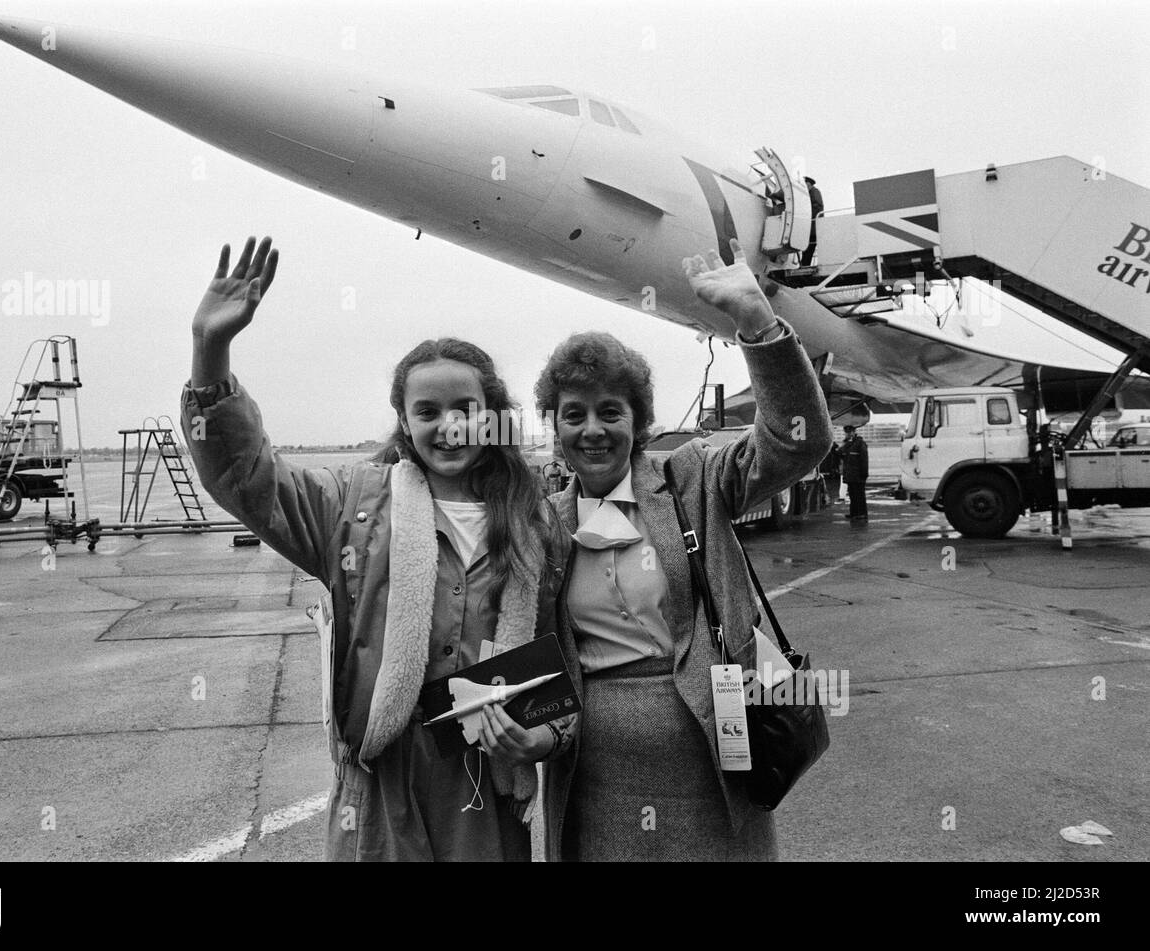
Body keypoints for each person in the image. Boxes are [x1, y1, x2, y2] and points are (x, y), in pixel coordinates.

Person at [180, 236, 572, 861]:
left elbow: (561, 661)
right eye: (427, 411)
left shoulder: (536, 525)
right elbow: (246, 477)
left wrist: (543, 740)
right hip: (380, 778)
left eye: (466, 408)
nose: (448, 426)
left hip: (485, 785)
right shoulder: (353, 506)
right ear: (403, 418)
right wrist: (211, 349)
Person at [534, 238, 832, 861]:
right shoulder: (543, 523)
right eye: (574, 414)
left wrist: (757, 323)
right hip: (595, 781)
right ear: (554, 427)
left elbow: (798, 442)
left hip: (714, 763)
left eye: (610, 411)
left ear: (638, 421)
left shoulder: (692, 477)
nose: (593, 429)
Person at [841, 424, 869, 521]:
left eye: (850, 432)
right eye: (847, 433)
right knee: (853, 495)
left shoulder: (860, 444)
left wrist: (864, 473)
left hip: (858, 475)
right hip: (850, 475)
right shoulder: (848, 445)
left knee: (859, 495)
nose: (848, 434)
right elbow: (839, 453)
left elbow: (864, 460)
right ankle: (854, 513)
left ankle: (862, 514)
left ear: (854, 432)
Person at [801, 176, 824, 267]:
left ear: (809, 184)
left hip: (813, 226)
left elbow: (817, 206)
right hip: (811, 227)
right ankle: (804, 264)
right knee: (807, 247)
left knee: (810, 246)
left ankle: (805, 264)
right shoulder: (811, 192)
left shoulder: (814, 192)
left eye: (805, 183)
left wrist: (807, 213)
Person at [820, 440, 842, 504]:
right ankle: (827, 499)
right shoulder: (835, 452)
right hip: (832, 474)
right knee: (831, 489)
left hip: (830, 474)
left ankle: (826, 499)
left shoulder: (827, 453)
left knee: (828, 488)